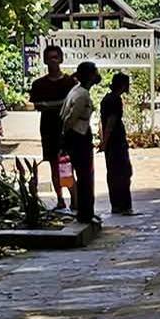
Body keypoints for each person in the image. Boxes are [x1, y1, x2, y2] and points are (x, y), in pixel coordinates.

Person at [29, 45, 72, 210]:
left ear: (61, 59)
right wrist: (59, 104)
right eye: (50, 58)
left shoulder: (69, 82)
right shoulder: (39, 84)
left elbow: (71, 105)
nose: (53, 61)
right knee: (54, 165)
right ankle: (60, 199)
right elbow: (38, 105)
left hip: (66, 129)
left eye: (56, 57)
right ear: (45, 61)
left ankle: (73, 197)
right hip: (48, 129)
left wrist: (50, 105)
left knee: (67, 165)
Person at [60, 60, 101, 225]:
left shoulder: (76, 90)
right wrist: (66, 136)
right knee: (85, 177)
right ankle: (85, 213)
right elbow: (70, 119)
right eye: (95, 72)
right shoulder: (82, 94)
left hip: (76, 137)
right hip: (79, 137)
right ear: (90, 76)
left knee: (83, 176)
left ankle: (85, 212)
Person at [101, 71, 135, 215]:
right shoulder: (115, 100)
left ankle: (115, 204)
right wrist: (105, 141)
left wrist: (103, 141)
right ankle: (125, 205)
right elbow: (111, 122)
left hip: (111, 143)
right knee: (123, 172)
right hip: (116, 142)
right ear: (122, 85)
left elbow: (103, 123)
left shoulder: (106, 99)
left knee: (113, 173)